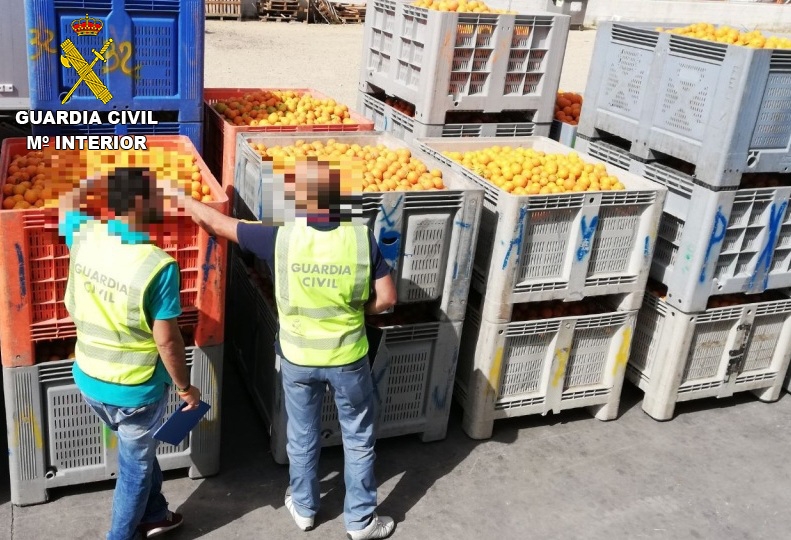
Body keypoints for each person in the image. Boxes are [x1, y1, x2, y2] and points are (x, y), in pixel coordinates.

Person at [181, 157, 398, 539]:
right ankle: (361, 521)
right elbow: (387, 299)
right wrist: (358, 309)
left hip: (298, 357)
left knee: (302, 433)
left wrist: (182, 198)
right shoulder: (361, 238)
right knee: (359, 437)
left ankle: (304, 508)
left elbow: (217, 224)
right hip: (348, 357)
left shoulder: (282, 237)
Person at [59, 167, 202, 540]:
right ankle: (120, 535)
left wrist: (96, 181)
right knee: (135, 469)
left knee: (138, 449)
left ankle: (155, 514)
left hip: (89, 378)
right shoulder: (157, 266)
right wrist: (186, 389)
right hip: (135, 390)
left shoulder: (86, 236)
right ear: (145, 205)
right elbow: (167, 340)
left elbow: (66, 204)